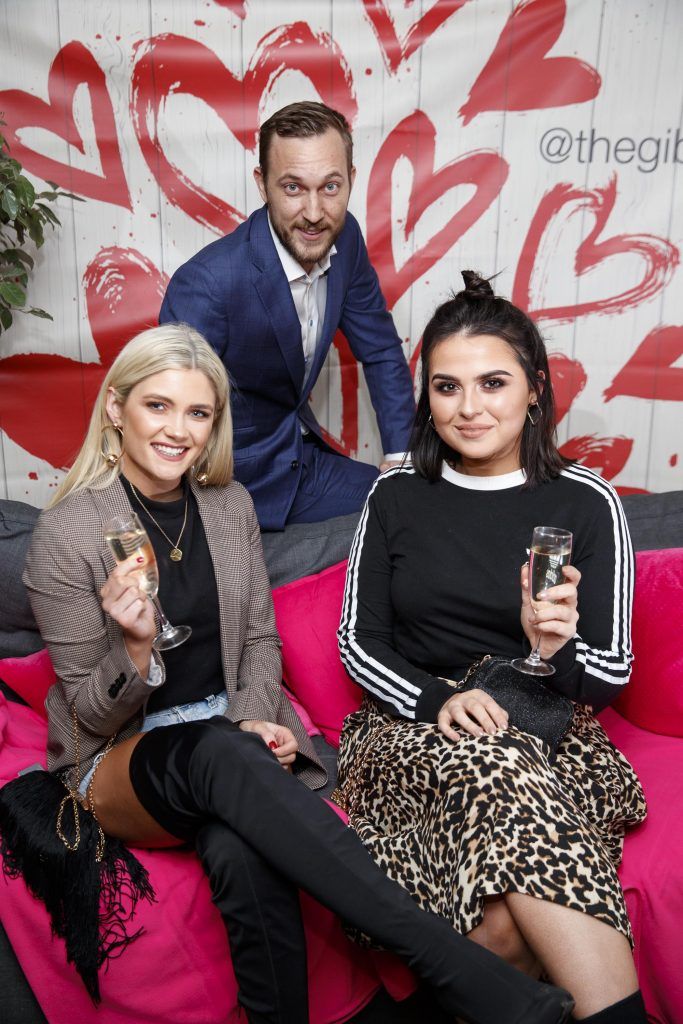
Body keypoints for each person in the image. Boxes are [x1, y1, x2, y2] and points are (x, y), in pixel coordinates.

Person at [6, 323, 576, 1024]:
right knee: (215, 749)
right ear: (117, 407)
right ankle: (444, 961)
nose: (177, 430)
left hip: (227, 741)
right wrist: (132, 648)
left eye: (198, 412)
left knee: (242, 849)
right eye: (157, 406)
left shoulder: (226, 506)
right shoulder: (66, 534)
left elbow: (255, 640)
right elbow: (89, 718)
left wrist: (252, 718)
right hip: (118, 763)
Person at [335, 272, 649, 1024]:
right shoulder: (398, 493)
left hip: (546, 729)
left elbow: (610, 670)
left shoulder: (585, 500)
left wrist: (556, 647)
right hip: (412, 733)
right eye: (446, 387)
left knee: (507, 925)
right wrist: (443, 698)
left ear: (534, 389)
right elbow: (358, 641)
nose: (468, 408)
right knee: (493, 754)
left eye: (492, 383)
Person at [159, 100, 415, 531]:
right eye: (293, 188)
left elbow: (381, 349)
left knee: (399, 503)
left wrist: (400, 457)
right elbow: (163, 412)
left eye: (330, 187)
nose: (314, 214)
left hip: (294, 457)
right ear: (263, 185)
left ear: (351, 179)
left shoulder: (346, 237)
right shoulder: (209, 282)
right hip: (222, 482)